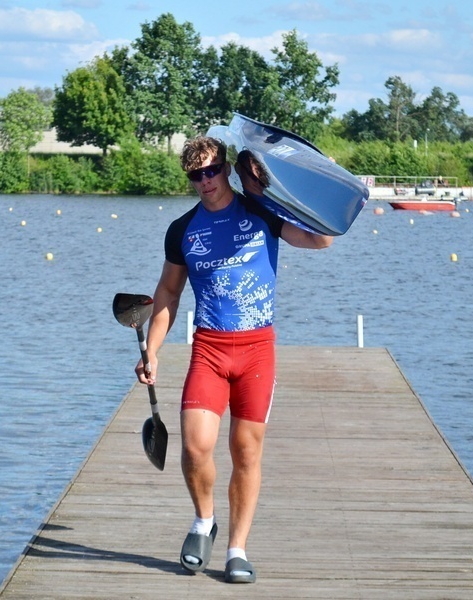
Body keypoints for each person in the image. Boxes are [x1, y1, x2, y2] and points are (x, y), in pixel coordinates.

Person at [135, 136, 333, 584]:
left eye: (212, 170)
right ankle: (204, 521)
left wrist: (279, 192)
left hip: (257, 350)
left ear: (227, 168)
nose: (206, 181)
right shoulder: (181, 230)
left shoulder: (260, 211)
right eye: (196, 175)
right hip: (209, 348)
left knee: (246, 451)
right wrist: (152, 350)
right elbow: (168, 293)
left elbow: (321, 240)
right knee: (194, 447)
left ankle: (237, 549)